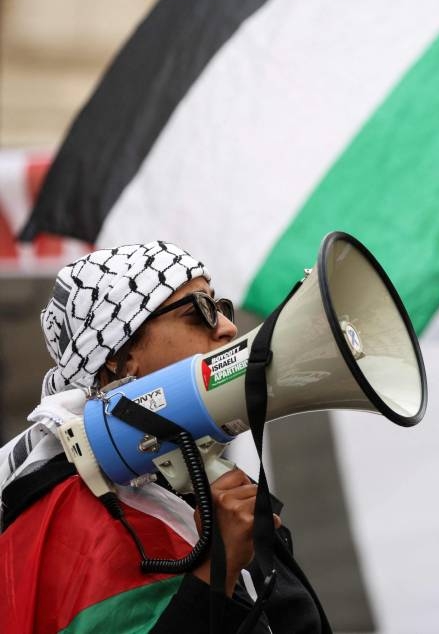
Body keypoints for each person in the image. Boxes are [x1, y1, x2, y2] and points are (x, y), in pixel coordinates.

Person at [0, 241, 331, 633]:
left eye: (220, 308)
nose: (227, 326)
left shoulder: (192, 489)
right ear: (117, 355)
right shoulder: (67, 510)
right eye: (199, 311)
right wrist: (214, 572)